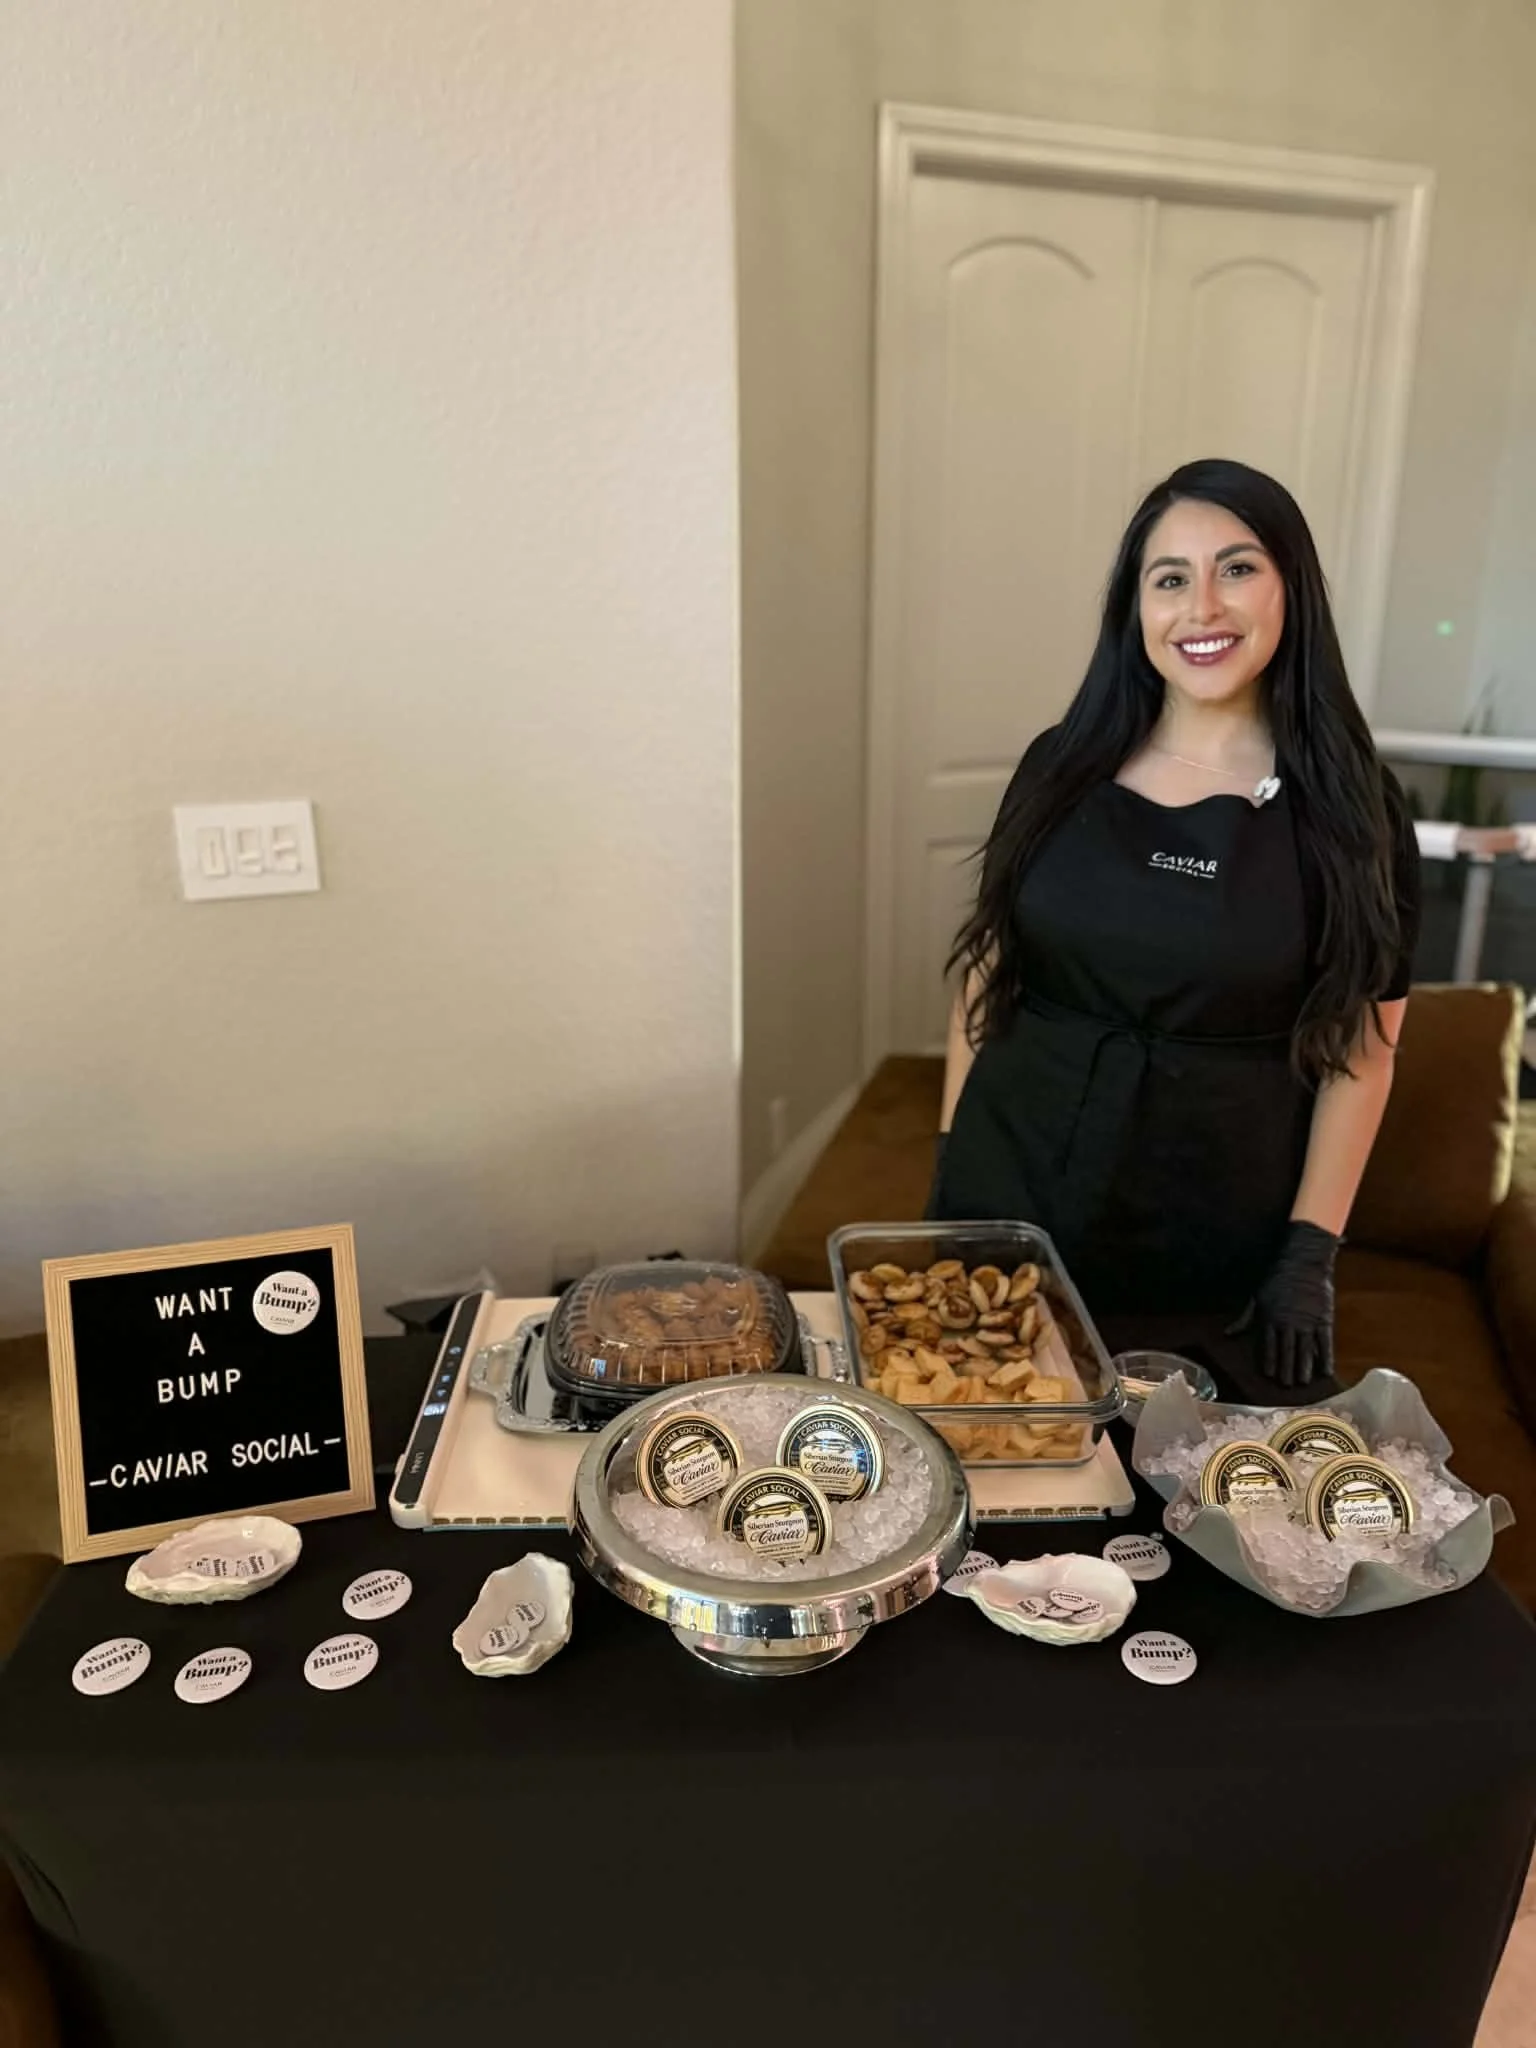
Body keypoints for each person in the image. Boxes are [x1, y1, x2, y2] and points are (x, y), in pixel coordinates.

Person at [930, 458, 1420, 1396]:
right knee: (998, 1489)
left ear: (1292, 590)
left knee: (1188, 1516)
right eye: (1170, 579)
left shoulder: (1357, 813)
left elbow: (1366, 1048)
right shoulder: (1059, 765)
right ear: (1137, 610)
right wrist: (953, 1168)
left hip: (1216, 1232)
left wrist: (1309, 1254)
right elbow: (986, 974)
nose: (1203, 607)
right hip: (1013, 1191)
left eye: (1237, 569)